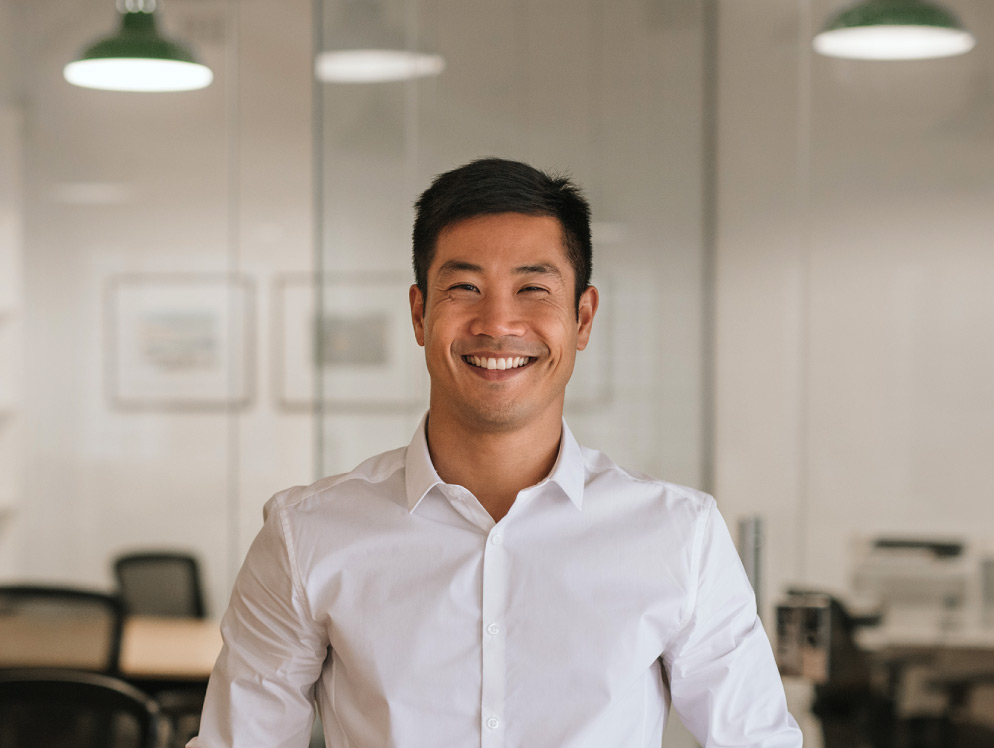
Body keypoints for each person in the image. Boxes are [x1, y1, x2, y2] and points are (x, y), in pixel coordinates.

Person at [191, 158, 802, 747]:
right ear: (419, 313)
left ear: (582, 318)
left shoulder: (679, 536)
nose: (498, 322)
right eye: (464, 287)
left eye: (533, 288)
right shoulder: (307, 535)